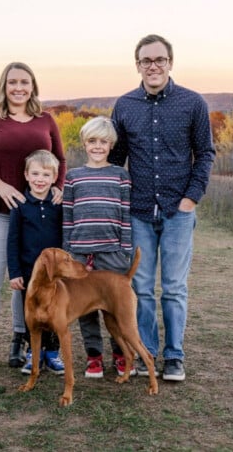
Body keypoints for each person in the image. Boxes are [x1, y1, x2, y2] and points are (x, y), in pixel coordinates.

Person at [108, 34, 216, 382]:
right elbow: (114, 158)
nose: (153, 66)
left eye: (159, 60)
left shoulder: (192, 103)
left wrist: (192, 198)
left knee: (173, 288)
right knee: (139, 289)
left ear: (170, 62)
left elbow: (206, 153)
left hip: (178, 210)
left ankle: (174, 357)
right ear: (137, 65)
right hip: (138, 211)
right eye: (145, 61)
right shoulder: (125, 106)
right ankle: (147, 354)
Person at [0, 62, 66, 371]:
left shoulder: (46, 120)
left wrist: (58, 187)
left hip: (36, 215)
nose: (18, 88)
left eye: (25, 82)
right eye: (12, 82)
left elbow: (59, 159)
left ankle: (20, 342)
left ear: (33, 86)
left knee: (28, 281)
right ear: (3, 86)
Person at [63, 116, 134, 379]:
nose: (97, 146)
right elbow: (68, 217)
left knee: (115, 309)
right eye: (92, 141)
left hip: (113, 255)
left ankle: (121, 354)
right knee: (85, 310)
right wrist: (68, 251)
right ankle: (94, 357)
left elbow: (125, 216)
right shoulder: (73, 177)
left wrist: (124, 251)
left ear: (111, 145)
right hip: (80, 255)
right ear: (84, 143)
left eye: (103, 142)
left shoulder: (120, 176)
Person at [7, 149, 65, 375]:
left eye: (46, 175)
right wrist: (14, 272)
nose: (40, 179)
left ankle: (52, 352)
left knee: (54, 312)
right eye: (36, 174)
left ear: (54, 178)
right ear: (26, 175)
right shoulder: (19, 205)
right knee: (32, 314)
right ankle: (34, 352)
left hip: (55, 275)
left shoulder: (58, 204)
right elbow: (12, 241)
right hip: (29, 273)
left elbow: (65, 236)